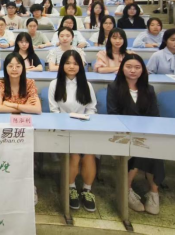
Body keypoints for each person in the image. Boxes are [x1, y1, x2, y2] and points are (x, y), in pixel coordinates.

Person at [107, 54, 164, 215]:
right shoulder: (114, 88)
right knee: (141, 147)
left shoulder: (148, 89)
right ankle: (127, 189)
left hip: (144, 133)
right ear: (122, 68)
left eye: (137, 67)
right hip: (122, 134)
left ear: (143, 70)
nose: (133, 70)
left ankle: (153, 192)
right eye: (129, 67)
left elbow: (154, 115)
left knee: (153, 149)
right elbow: (113, 114)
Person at [48, 49, 97, 212]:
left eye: (75, 64)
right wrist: (66, 125)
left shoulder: (87, 85)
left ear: (80, 66)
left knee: (89, 154)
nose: (71, 66)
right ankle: (71, 188)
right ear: (62, 65)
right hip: (64, 129)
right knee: (75, 154)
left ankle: (87, 190)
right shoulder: (54, 84)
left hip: (84, 127)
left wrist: (85, 123)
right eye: (68, 63)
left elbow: (91, 108)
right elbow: (54, 110)